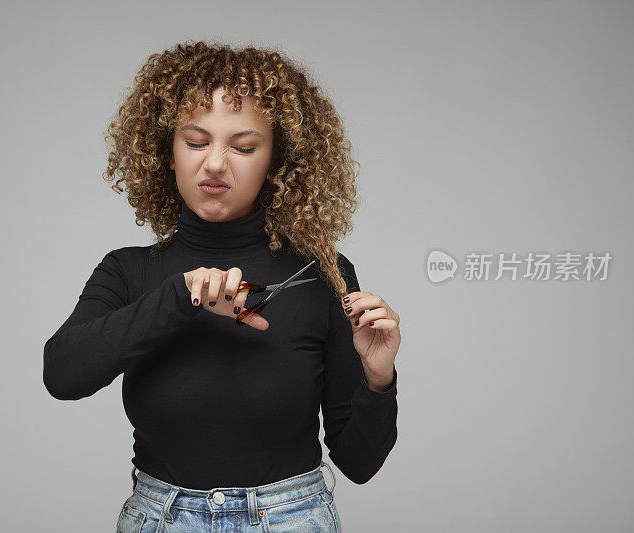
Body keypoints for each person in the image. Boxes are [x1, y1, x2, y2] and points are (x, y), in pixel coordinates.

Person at [43, 40, 402, 532]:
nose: (214, 163)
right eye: (195, 142)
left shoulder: (323, 274)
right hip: (163, 519)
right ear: (166, 153)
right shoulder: (129, 272)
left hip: (292, 520)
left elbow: (360, 464)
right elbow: (62, 374)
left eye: (243, 146)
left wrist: (379, 379)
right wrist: (178, 296)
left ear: (275, 162)